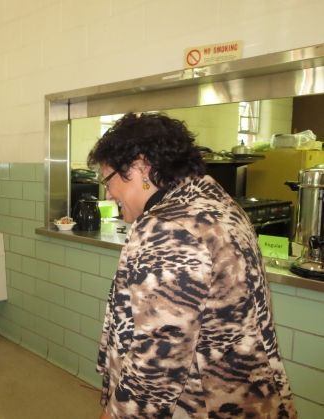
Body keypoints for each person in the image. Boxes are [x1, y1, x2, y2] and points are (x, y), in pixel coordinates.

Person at [87, 112, 297, 419]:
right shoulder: (219, 206)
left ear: (141, 167)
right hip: (249, 394)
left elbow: (158, 361)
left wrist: (116, 415)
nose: (108, 193)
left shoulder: (169, 228)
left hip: (200, 403)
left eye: (108, 180)